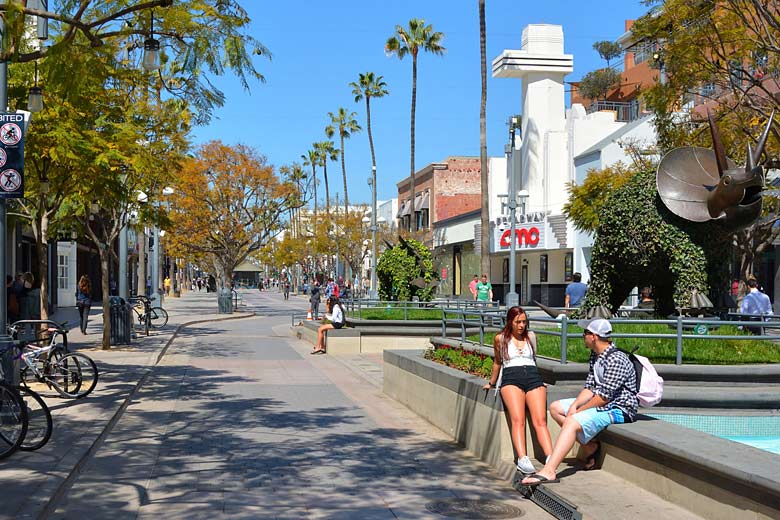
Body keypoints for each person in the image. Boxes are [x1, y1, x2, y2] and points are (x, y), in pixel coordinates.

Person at [521, 318, 638, 486]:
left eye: (585, 333)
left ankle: (549, 470)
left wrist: (580, 410)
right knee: (556, 408)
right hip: (603, 402)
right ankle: (590, 446)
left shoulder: (616, 359)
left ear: (594, 336)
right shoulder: (597, 355)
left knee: (572, 420)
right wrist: (575, 405)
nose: (583, 336)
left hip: (619, 408)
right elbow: (590, 387)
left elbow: (604, 396)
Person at [483, 306, 553, 474]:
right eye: (517, 322)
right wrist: (492, 383)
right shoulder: (500, 339)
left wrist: (540, 380)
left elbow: (534, 359)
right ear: (510, 322)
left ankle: (551, 456)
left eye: (524, 322)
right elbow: (498, 362)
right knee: (518, 419)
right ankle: (522, 458)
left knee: (540, 420)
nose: (521, 325)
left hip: (532, 376)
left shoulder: (531, 337)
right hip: (511, 378)